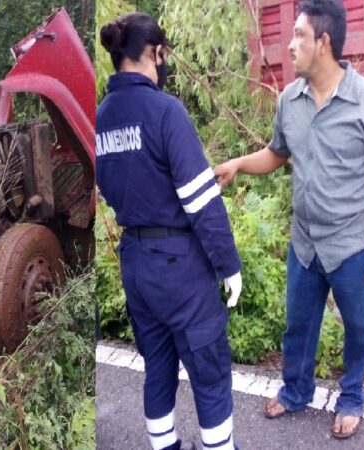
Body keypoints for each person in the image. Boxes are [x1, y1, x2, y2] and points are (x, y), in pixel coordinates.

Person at [214, 0, 364, 440]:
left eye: (298, 35)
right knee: (298, 325)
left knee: (358, 327)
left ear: (323, 42)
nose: (290, 44)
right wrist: (239, 163)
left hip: (352, 246)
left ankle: (352, 395)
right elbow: (278, 153)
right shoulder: (290, 99)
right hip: (305, 243)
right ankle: (296, 389)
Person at [97, 13, 243, 450]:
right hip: (179, 268)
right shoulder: (165, 111)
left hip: (136, 266)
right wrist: (228, 264)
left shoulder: (101, 116)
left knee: (158, 368)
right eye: (164, 56)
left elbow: (107, 190)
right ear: (155, 53)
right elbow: (201, 200)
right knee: (209, 369)